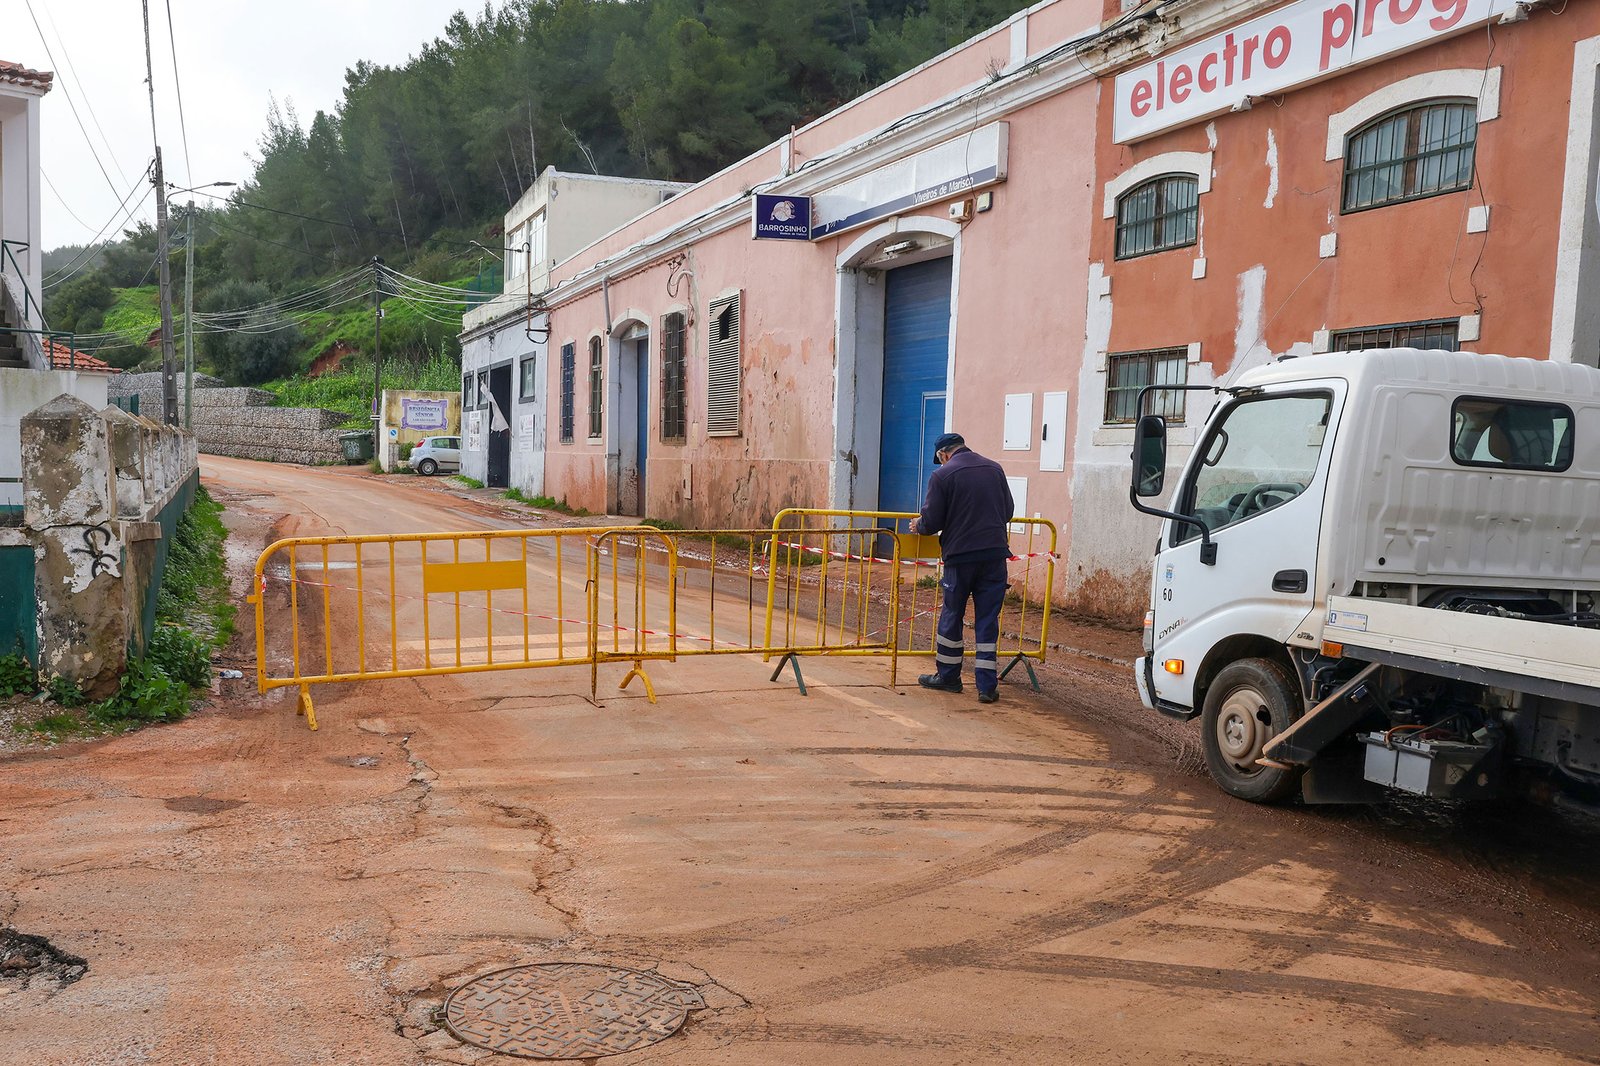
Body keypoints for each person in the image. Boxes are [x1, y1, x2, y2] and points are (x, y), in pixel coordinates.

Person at [909, 431, 1014, 704]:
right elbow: (1008, 511)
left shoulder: (942, 476)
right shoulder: (994, 468)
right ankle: (987, 687)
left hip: (960, 557)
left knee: (952, 615)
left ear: (943, 454)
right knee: (987, 621)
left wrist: (918, 525)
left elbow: (931, 522)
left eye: (940, 459)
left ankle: (948, 677)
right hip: (994, 556)